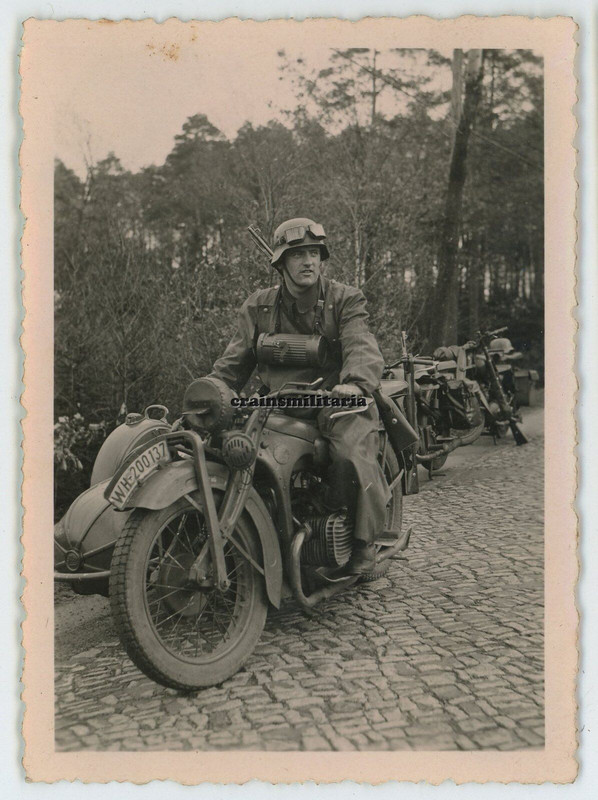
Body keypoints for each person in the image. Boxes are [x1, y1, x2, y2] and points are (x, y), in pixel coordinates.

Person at [209, 217, 390, 573]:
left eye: (314, 254)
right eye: (297, 255)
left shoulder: (344, 299)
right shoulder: (259, 306)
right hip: (277, 404)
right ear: (280, 263)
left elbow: (361, 345)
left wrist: (354, 383)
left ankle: (362, 541)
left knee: (349, 455)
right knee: (227, 449)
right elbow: (232, 365)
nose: (308, 262)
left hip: (337, 404)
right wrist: (210, 396)